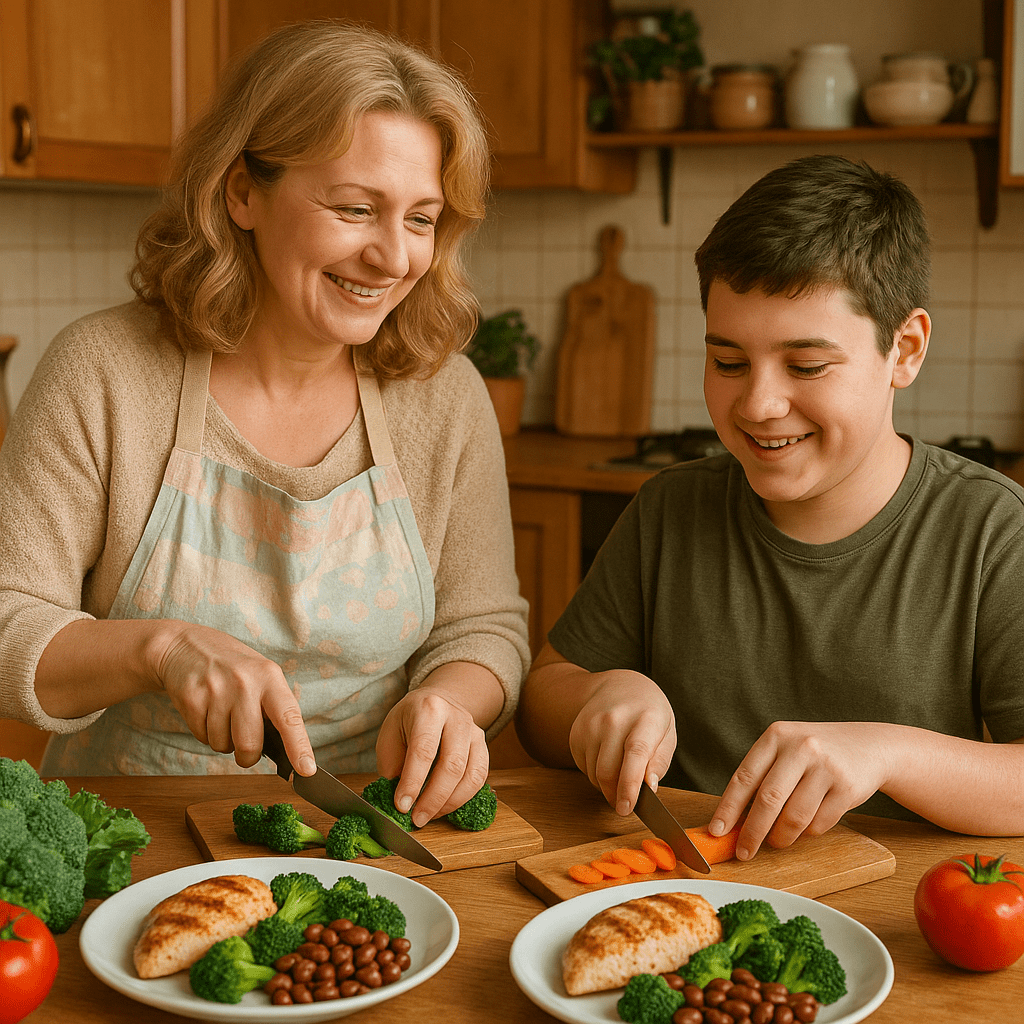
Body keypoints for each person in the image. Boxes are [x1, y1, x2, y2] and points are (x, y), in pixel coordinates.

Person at [0, 20, 530, 826]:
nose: (394, 258)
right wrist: (163, 649)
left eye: (421, 220)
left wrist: (452, 703)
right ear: (242, 191)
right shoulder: (102, 371)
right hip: (130, 828)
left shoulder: (444, 395)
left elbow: (483, 626)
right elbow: (10, 619)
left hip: (373, 828)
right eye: (356, 208)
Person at [516, 155, 1024, 860]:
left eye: (806, 366)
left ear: (904, 350)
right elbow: (543, 701)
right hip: (682, 892)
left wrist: (889, 754)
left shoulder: (993, 532)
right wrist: (599, 698)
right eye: (727, 362)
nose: (756, 404)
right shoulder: (670, 509)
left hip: (894, 925)